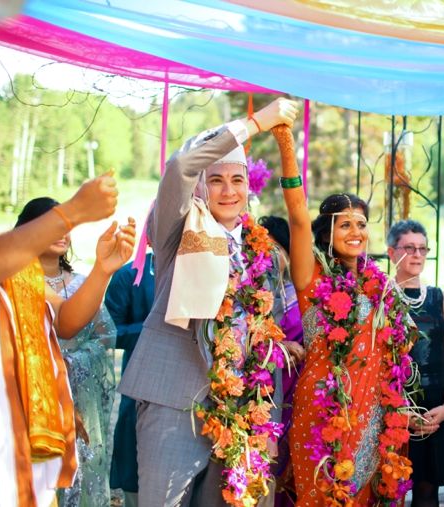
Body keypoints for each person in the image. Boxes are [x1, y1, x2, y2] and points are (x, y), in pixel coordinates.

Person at [117, 98, 299, 507]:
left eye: (237, 180)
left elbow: (264, 340)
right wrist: (255, 124)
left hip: (240, 408)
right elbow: (180, 166)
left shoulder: (265, 253)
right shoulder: (178, 228)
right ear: (202, 185)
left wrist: (267, 425)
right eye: (216, 179)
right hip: (174, 401)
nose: (228, 190)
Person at [0, 127, 135, 507]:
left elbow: (65, 321)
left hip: (12, 434)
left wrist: (102, 270)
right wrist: (70, 213)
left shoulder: (8, 261)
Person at [272, 125, 419, 507]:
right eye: (344, 224)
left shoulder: (378, 284)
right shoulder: (311, 278)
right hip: (324, 412)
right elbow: (298, 217)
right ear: (327, 233)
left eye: (361, 224)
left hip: (371, 411)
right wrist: (287, 146)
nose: (355, 231)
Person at [16, 197, 118, 507]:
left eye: (67, 226)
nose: (63, 232)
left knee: (81, 474)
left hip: (80, 394)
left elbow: (106, 336)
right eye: (53, 225)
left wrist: (70, 363)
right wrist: (48, 368)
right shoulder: (15, 282)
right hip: (29, 394)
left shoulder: (84, 285)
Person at [386, 219, 444, 507]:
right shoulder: (380, 296)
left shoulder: (439, 297)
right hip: (394, 406)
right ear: (392, 252)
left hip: (436, 409)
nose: (417, 254)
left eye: (422, 248)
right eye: (409, 248)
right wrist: (399, 411)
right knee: (388, 488)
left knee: (427, 491)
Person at [258, 215, 306, 507]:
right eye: (261, 250)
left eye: (275, 250)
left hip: (300, 396)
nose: (268, 258)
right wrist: (277, 346)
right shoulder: (253, 294)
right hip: (266, 394)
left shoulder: (304, 295)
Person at [105, 245, 156, 507]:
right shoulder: (130, 274)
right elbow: (109, 331)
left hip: (193, 390)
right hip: (140, 386)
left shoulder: (202, 269)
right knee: (135, 470)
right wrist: (154, 327)